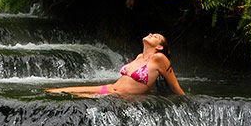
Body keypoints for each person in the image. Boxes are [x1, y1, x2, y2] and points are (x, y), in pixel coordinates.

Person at [46, 33, 185, 97]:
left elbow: (174, 86)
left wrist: (186, 102)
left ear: (160, 47)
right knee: (59, 90)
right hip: (109, 89)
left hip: (118, 96)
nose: (150, 34)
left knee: (74, 96)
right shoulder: (139, 57)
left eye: (155, 36)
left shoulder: (160, 58)